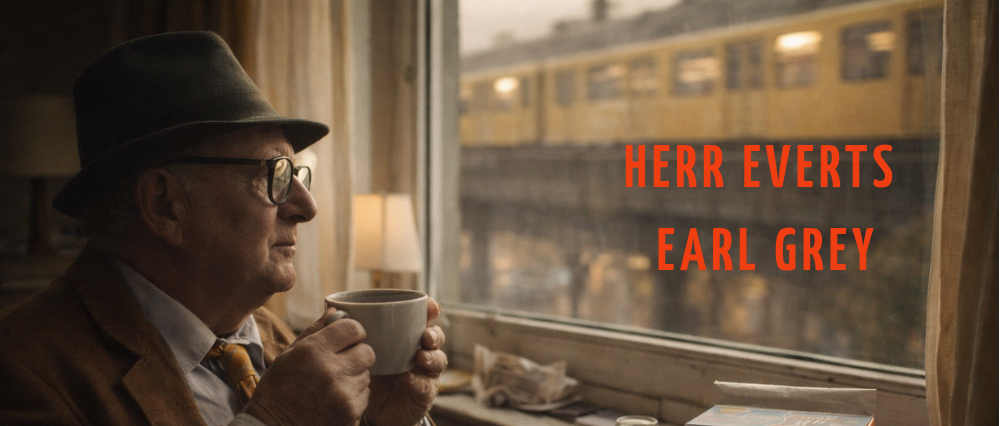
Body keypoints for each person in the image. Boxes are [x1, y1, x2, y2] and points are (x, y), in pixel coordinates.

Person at [0, 32, 446, 426]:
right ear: (164, 205)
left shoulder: (274, 337)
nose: (306, 208)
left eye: (298, 175)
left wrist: (385, 423)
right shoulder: (23, 369)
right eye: (274, 175)